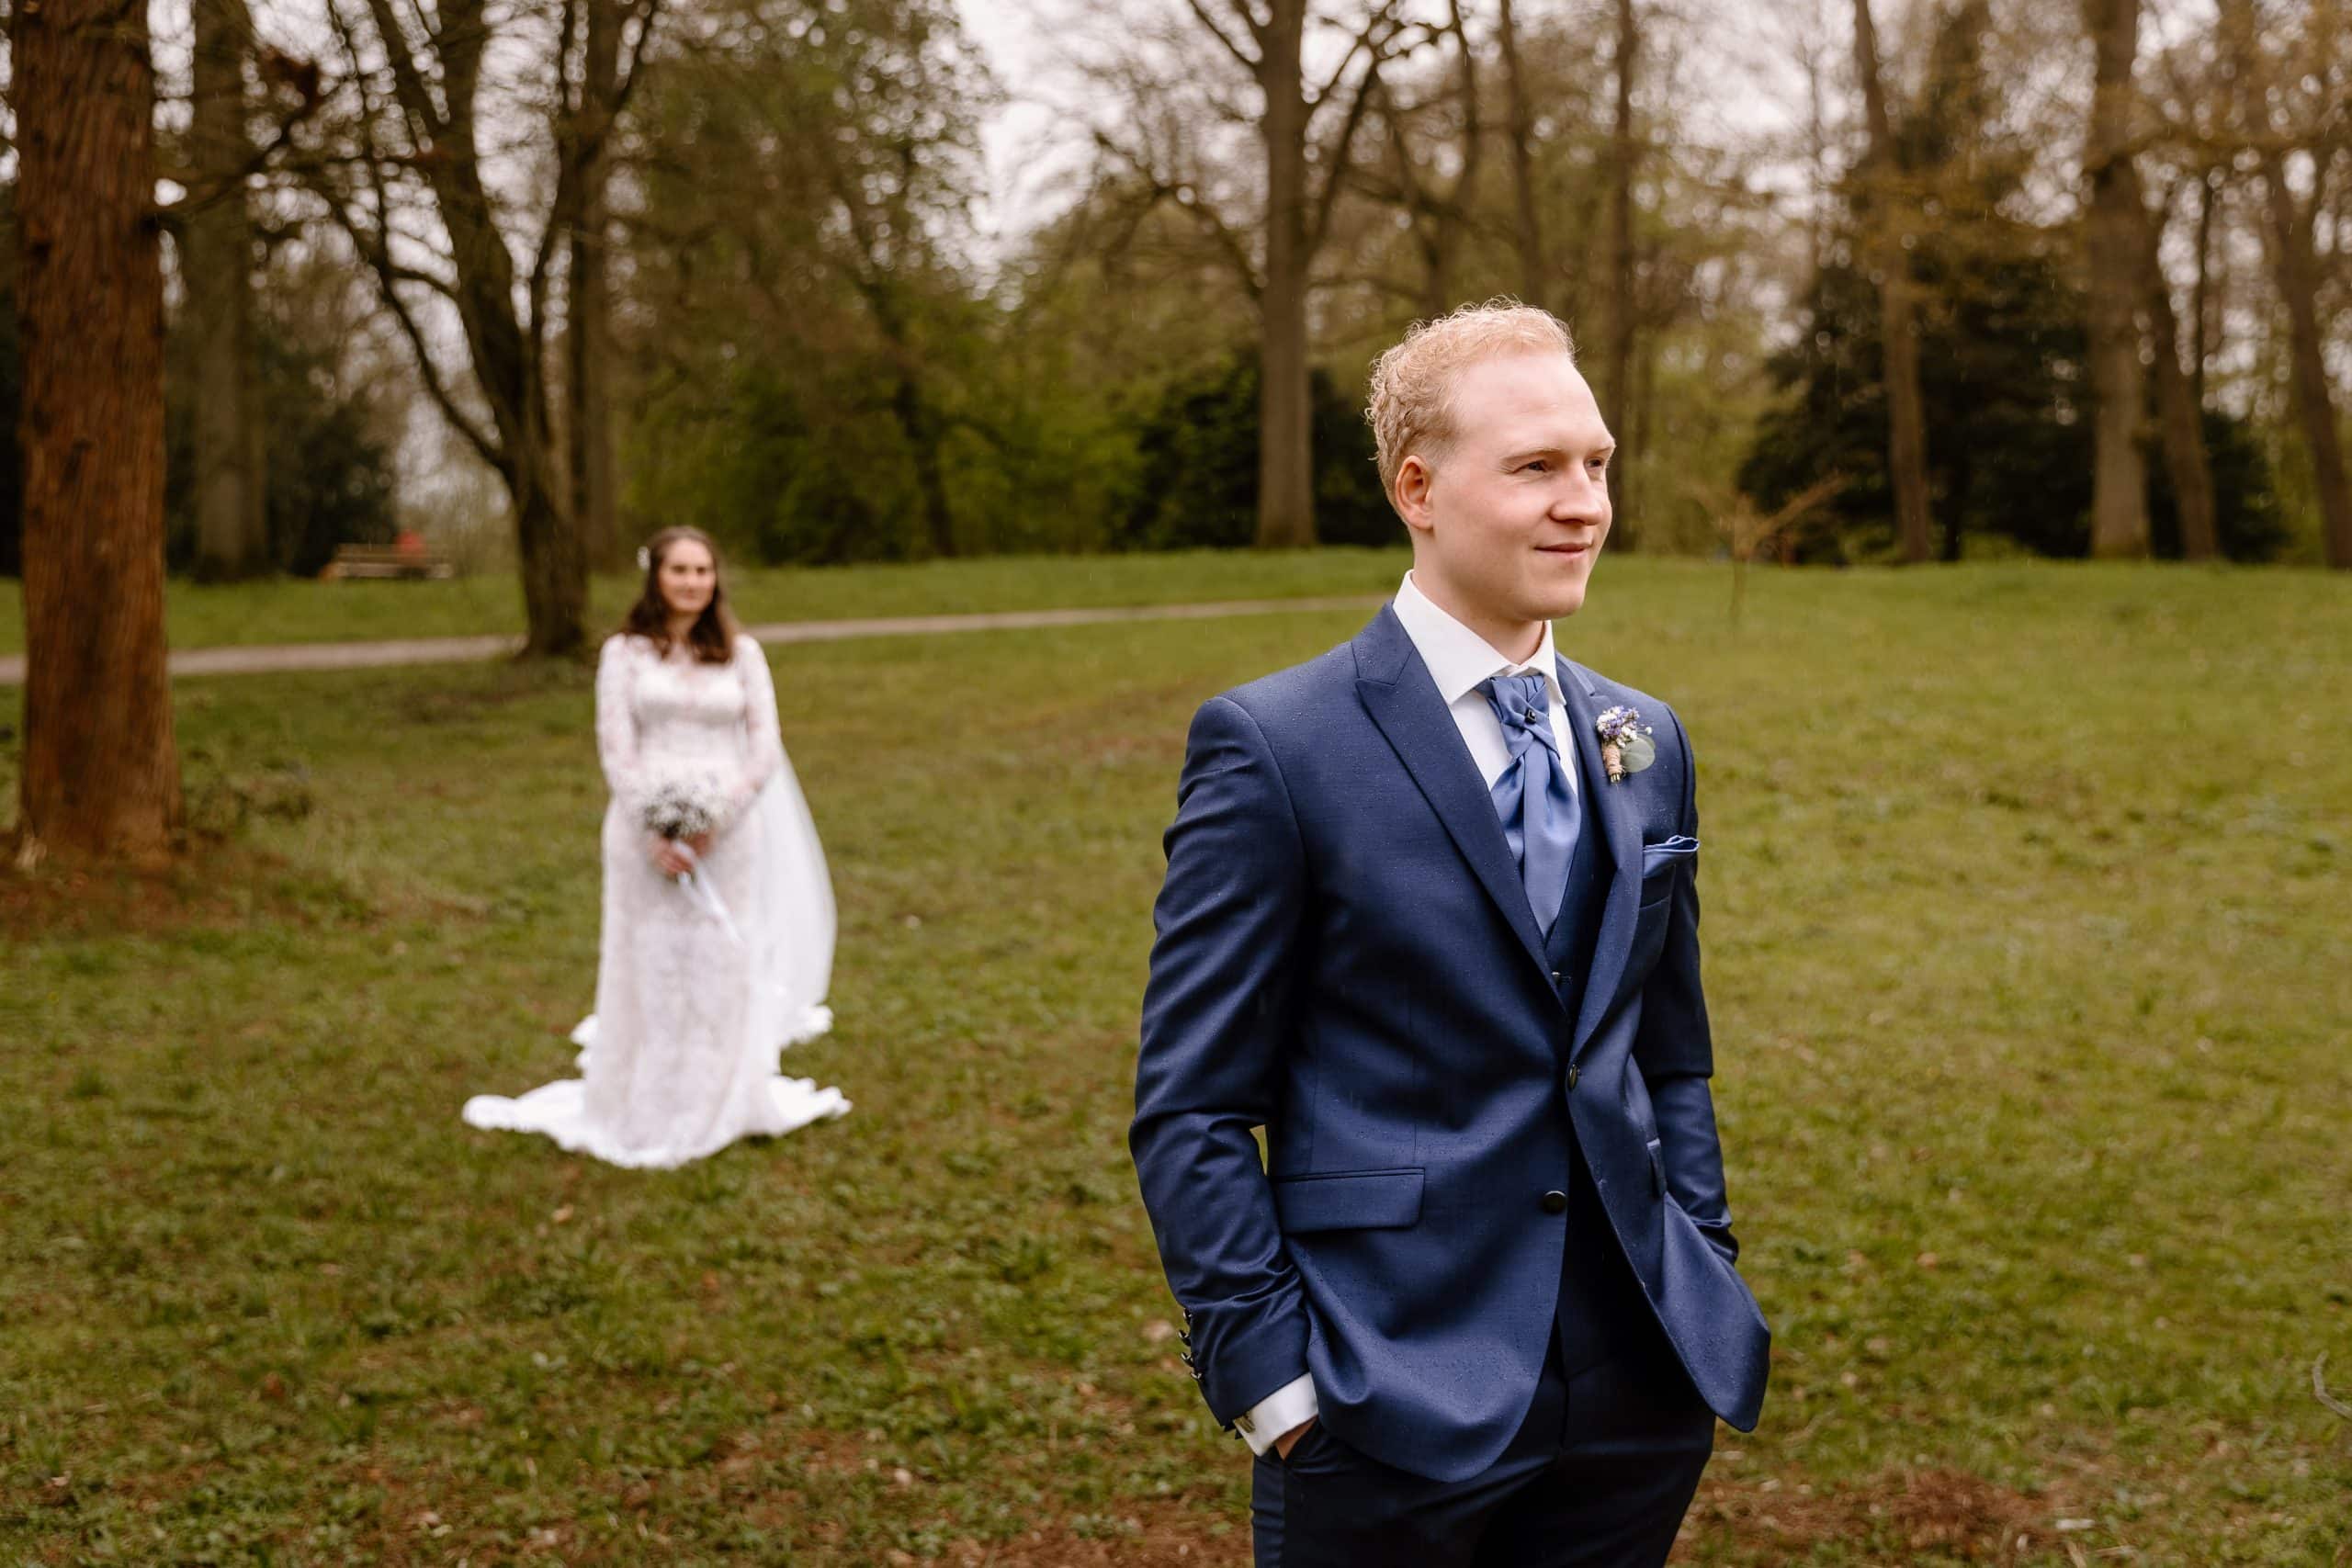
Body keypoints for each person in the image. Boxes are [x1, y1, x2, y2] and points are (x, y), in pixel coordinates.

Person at [1130, 301, 1768, 1566]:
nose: (1583, 501)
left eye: (1597, 464)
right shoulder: (1278, 745)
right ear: (1417, 487)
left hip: (1635, 1391)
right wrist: (1277, 1385)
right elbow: (1191, 1103)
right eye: (1536, 466)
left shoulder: (1647, 737)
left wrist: (1700, 1265)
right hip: (1382, 1397)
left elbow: (1665, 1045)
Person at [464, 526, 847, 1167]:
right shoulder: (624, 654)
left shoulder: (743, 654)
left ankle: (720, 1096)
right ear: (657, 577)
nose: (693, 582)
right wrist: (655, 826)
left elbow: (764, 746)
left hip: (728, 834)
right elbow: (617, 747)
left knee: (718, 960)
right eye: (680, 570)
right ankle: (644, 1100)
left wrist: (711, 820)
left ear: (715, 578)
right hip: (641, 833)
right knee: (649, 962)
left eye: (703, 570)